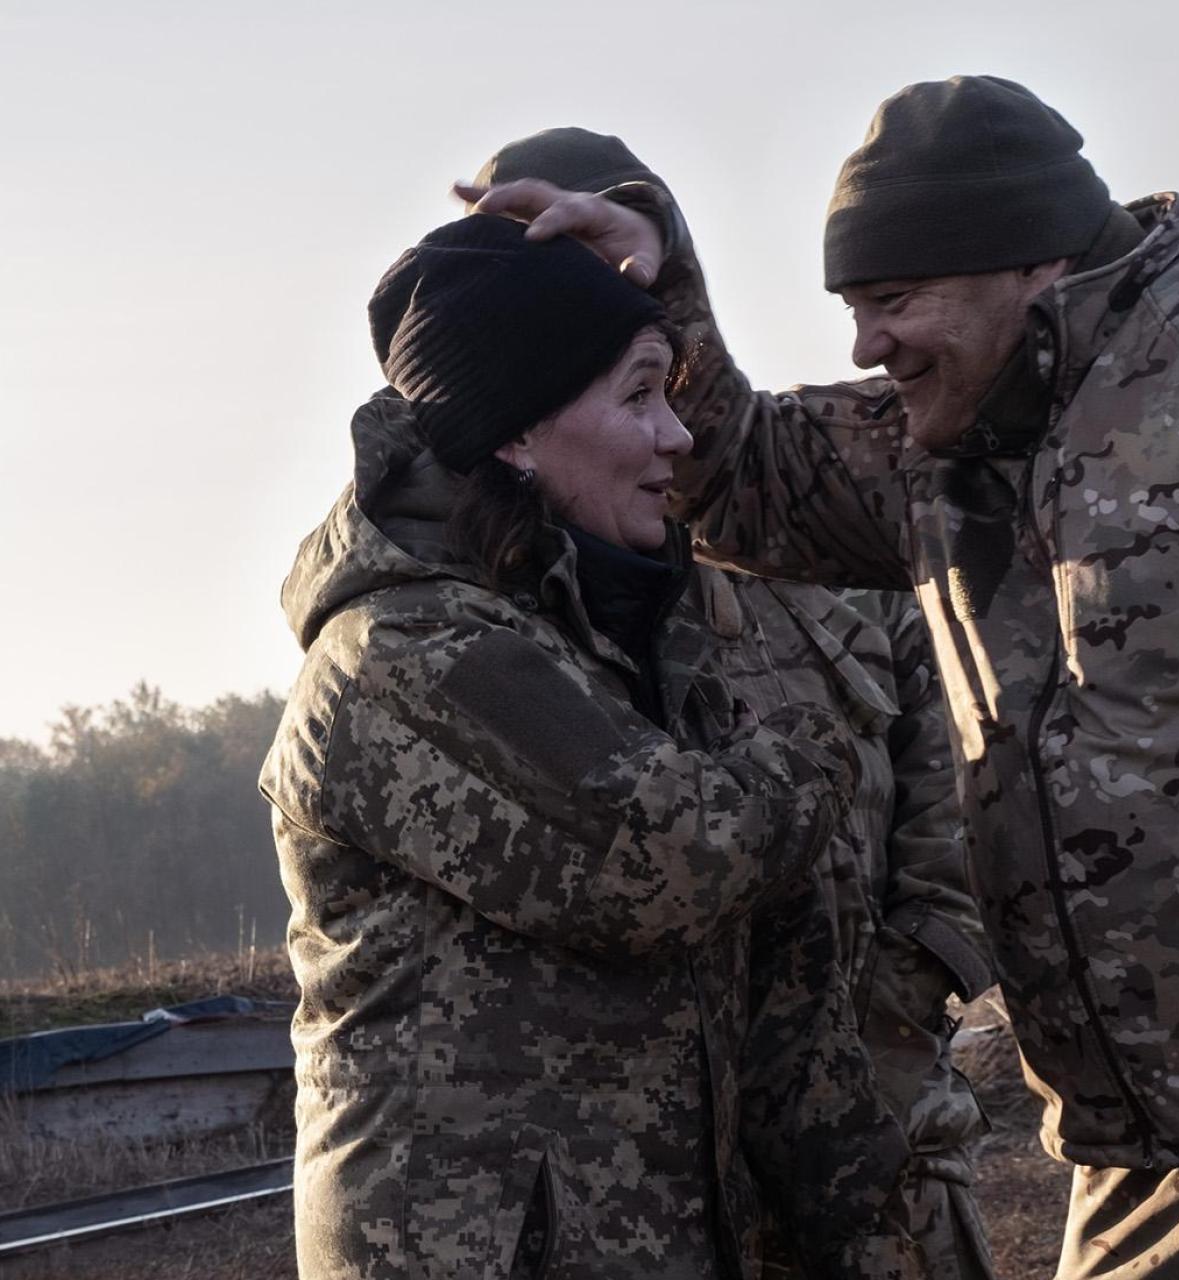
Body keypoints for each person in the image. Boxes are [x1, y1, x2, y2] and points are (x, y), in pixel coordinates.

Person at [463, 74, 1179, 1279]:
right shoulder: (936, 435)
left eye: (894, 301)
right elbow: (737, 478)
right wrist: (661, 273)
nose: (865, 343)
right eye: (852, 306)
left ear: (1027, 266)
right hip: (1133, 1165)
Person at [259, 212, 916, 1279]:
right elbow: (671, 859)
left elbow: (769, 997)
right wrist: (814, 739)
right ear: (516, 432)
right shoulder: (407, 652)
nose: (679, 437)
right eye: (640, 395)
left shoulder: (607, 625)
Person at [472, 128, 1000, 1280]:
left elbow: (959, 780)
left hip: (888, 1147)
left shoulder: (796, 520)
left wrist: (896, 1010)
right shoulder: (487, 608)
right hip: (673, 1188)